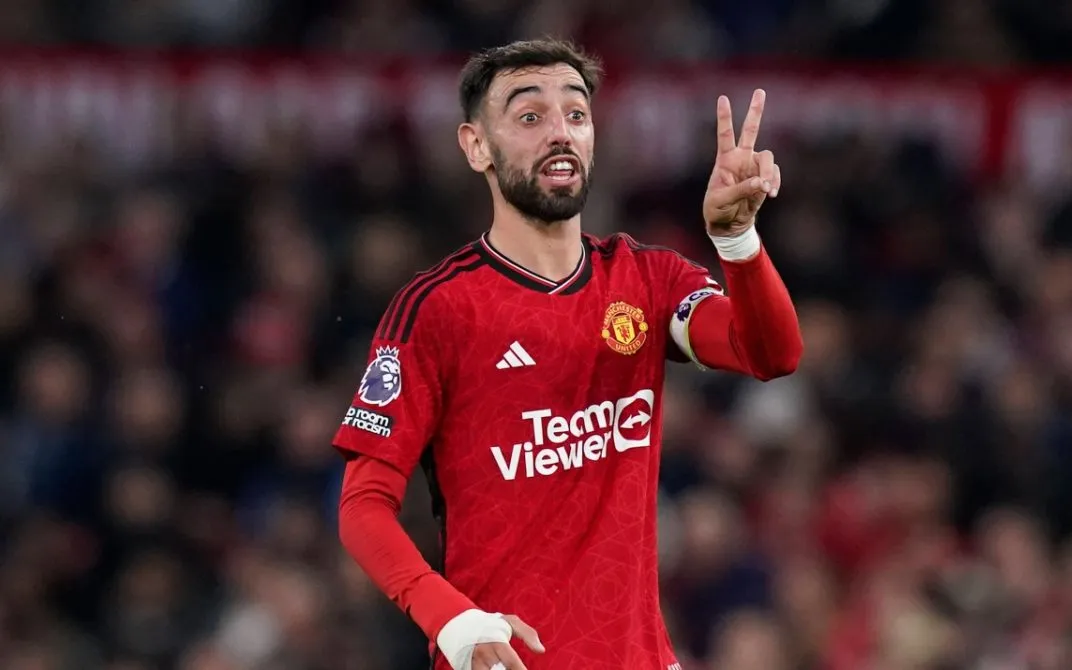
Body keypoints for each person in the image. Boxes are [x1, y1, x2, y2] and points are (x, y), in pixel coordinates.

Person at [334, 38, 803, 670]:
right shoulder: (439, 310)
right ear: (477, 146)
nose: (560, 132)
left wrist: (738, 241)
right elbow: (362, 507)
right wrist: (449, 616)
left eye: (576, 114)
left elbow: (771, 354)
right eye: (530, 116)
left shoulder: (647, 281)